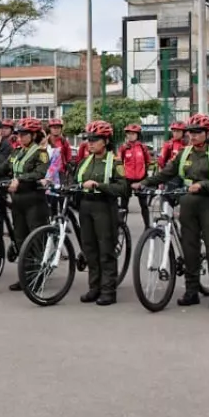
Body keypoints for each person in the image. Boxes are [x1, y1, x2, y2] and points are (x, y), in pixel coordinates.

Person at [138, 113, 209, 309]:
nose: (193, 136)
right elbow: (166, 173)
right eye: (190, 132)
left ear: (207, 134)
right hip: (187, 204)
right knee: (190, 249)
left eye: (197, 132)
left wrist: (203, 185)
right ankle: (191, 291)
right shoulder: (183, 153)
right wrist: (144, 182)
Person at [0, 117, 49, 292]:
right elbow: (2, 169)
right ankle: (25, 276)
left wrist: (20, 179)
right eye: (19, 134)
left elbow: (39, 172)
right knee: (20, 238)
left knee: (34, 239)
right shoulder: (17, 152)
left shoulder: (40, 152)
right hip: (18, 200)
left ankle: (37, 276)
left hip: (34, 200)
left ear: (34, 134)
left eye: (25, 135)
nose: (21, 138)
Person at [75, 120, 128, 305]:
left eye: (95, 139)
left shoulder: (114, 161)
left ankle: (108, 291)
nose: (90, 142)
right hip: (86, 206)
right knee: (90, 249)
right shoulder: (85, 161)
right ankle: (94, 288)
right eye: (88, 139)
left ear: (105, 141)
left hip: (104, 206)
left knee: (106, 250)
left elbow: (123, 188)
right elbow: (74, 181)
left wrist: (100, 186)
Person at [117, 124, 152, 229]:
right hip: (127, 179)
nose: (131, 136)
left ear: (138, 135)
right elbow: (119, 162)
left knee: (144, 204)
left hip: (140, 179)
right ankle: (120, 226)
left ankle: (147, 226)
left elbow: (148, 161)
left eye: (133, 134)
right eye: (128, 134)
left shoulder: (143, 147)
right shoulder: (123, 148)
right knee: (123, 204)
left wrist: (145, 175)